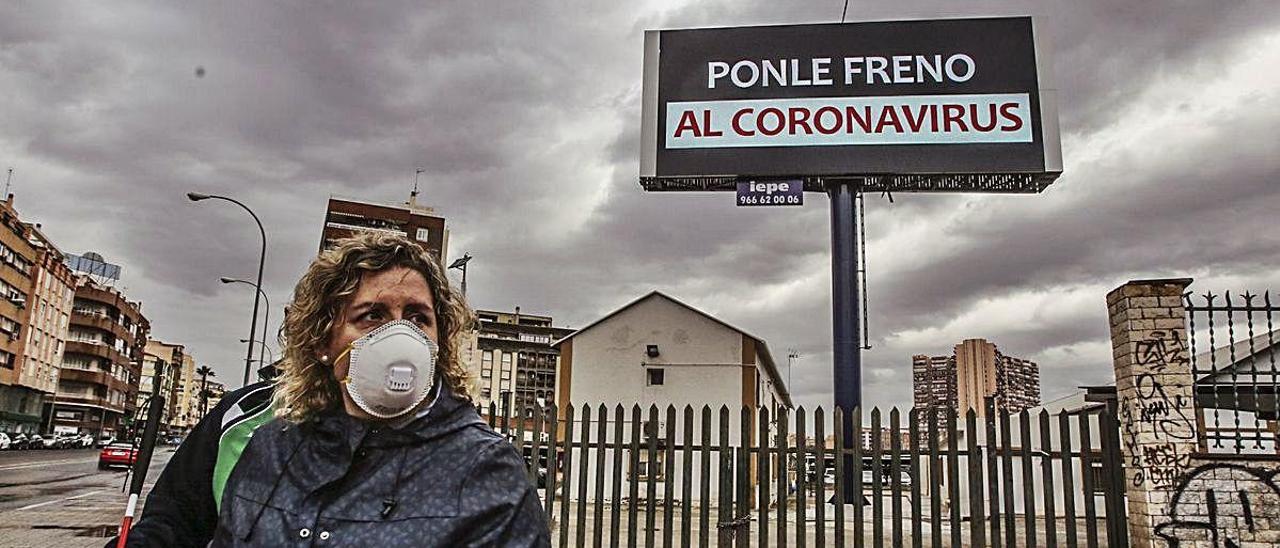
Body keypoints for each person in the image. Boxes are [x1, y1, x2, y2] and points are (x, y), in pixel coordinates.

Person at [210, 233, 549, 546]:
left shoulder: (487, 471)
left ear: (440, 341)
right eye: (372, 315)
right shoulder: (273, 448)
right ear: (323, 341)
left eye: (417, 318)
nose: (401, 336)